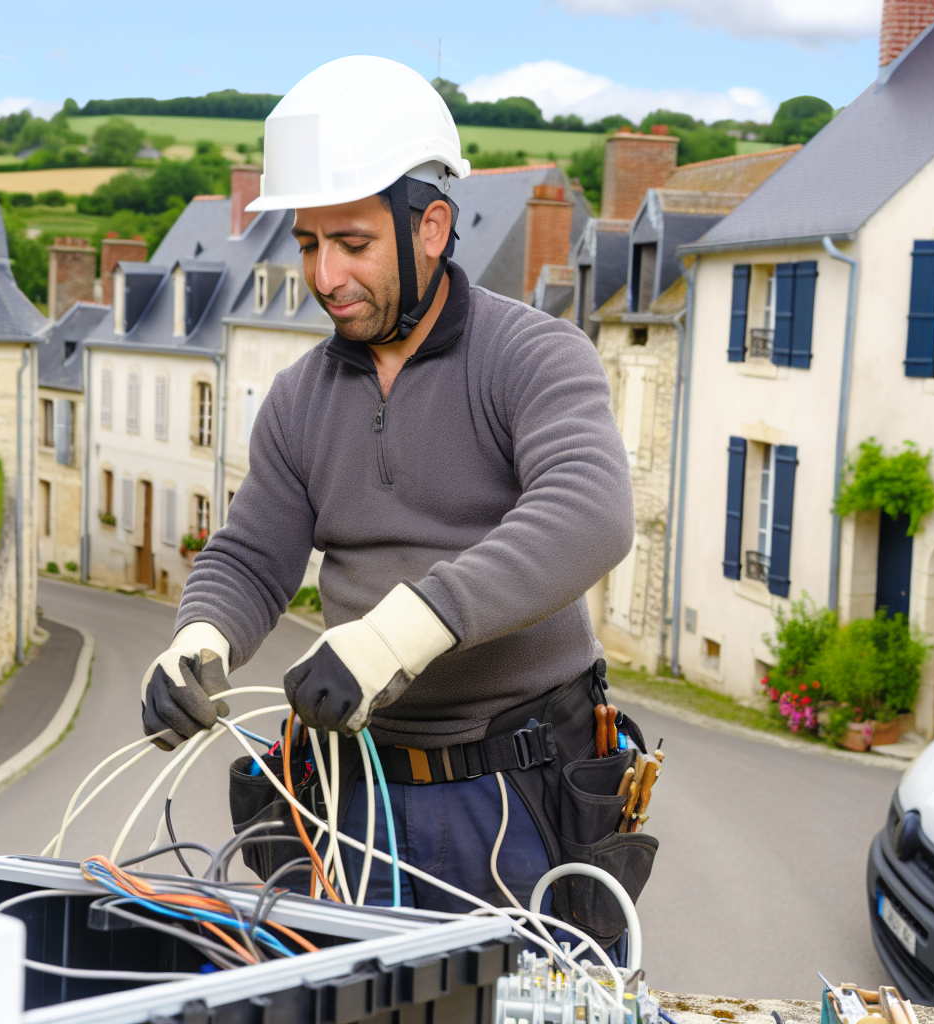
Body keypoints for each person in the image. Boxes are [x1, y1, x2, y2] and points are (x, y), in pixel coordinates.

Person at [140, 55, 635, 926]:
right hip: (352, 790)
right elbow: (254, 557)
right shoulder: (299, 400)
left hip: (518, 795)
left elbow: (589, 513)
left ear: (432, 228)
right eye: (307, 244)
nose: (325, 276)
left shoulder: (534, 357)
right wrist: (198, 640)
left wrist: (397, 635)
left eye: (353, 244)